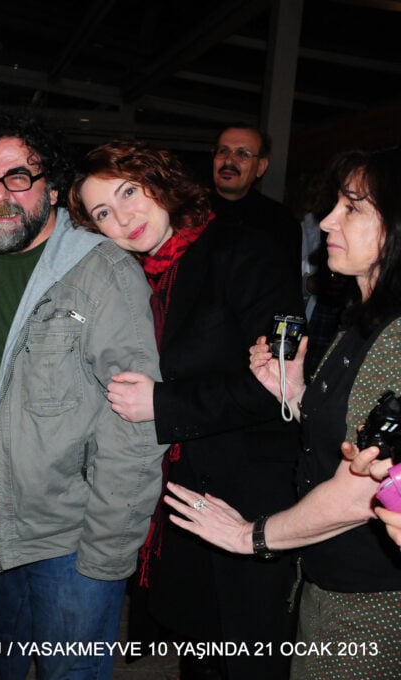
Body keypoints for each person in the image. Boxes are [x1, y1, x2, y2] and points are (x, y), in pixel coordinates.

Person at [69, 139, 304, 680]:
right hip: (176, 494)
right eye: (103, 212)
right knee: (196, 649)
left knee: (248, 656)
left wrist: (161, 402)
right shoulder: (131, 276)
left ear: (158, 179)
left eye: (129, 192)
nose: (123, 217)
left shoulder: (242, 248)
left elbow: (280, 386)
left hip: (249, 490)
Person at [165, 146, 401, 679]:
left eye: (354, 207)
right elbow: (346, 435)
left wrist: (249, 535)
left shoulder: (396, 337)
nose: (327, 220)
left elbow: (362, 489)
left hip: (370, 601)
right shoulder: (362, 320)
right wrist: (290, 391)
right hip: (329, 581)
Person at [0, 112, 165, 680]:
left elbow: (136, 428)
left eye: (20, 177)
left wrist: (108, 554)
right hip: (0, 518)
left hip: (75, 536)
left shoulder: (102, 273)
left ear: (54, 190)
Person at [210, 124, 301, 273]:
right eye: (223, 151)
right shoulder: (188, 211)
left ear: (261, 167)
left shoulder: (280, 221)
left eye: (242, 154)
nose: (228, 161)